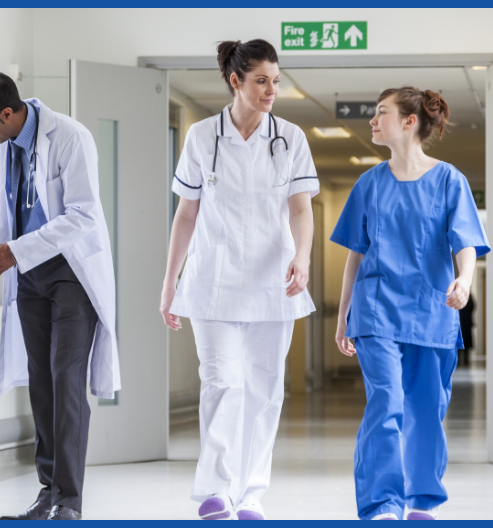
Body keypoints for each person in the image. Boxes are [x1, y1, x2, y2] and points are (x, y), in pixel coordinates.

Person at [0, 72, 119, 521]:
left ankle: (69, 501)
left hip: (71, 273)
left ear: (7, 113)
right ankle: (48, 494)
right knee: (41, 385)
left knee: (66, 383)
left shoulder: (70, 138)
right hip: (28, 275)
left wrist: (15, 250)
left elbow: (82, 215)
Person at [159, 39, 319, 521]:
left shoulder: (289, 138)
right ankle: (216, 490)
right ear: (235, 81)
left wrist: (304, 257)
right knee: (223, 382)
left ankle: (250, 493)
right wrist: (170, 282)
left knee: (265, 389)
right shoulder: (201, 137)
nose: (272, 89)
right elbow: (185, 215)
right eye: (261, 81)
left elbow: (300, 209)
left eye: (275, 80)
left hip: (274, 281)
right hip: (213, 281)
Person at [331, 87, 490, 521]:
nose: (373, 120)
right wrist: (344, 315)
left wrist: (464, 281)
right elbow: (355, 256)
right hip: (376, 310)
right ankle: (382, 504)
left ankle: (421, 500)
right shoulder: (369, 183)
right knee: (386, 401)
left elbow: (466, 244)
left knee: (425, 409)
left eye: (381, 113)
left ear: (409, 122)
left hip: (432, 311)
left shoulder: (449, 180)